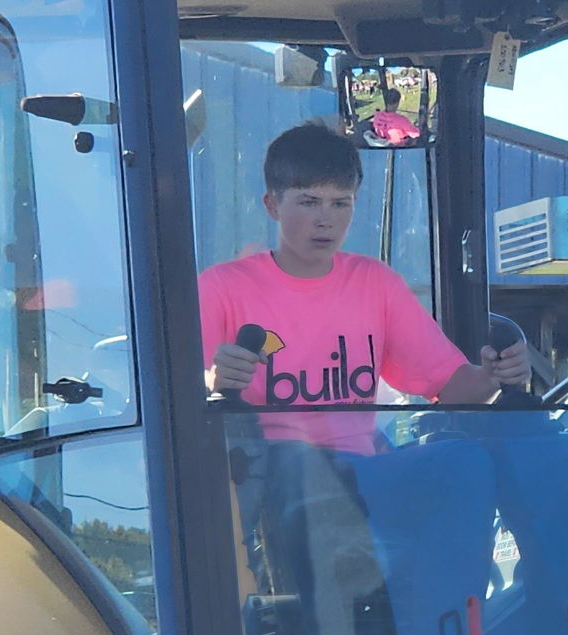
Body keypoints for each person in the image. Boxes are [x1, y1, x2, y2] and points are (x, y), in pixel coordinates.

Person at [201, 120, 530, 455]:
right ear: (272, 205)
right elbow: (183, 397)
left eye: (340, 203)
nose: (325, 219)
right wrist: (214, 381)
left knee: (468, 460)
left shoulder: (376, 283)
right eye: (309, 202)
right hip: (265, 475)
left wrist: (494, 375)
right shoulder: (220, 289)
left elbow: (450, 387)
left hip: (363, 477)